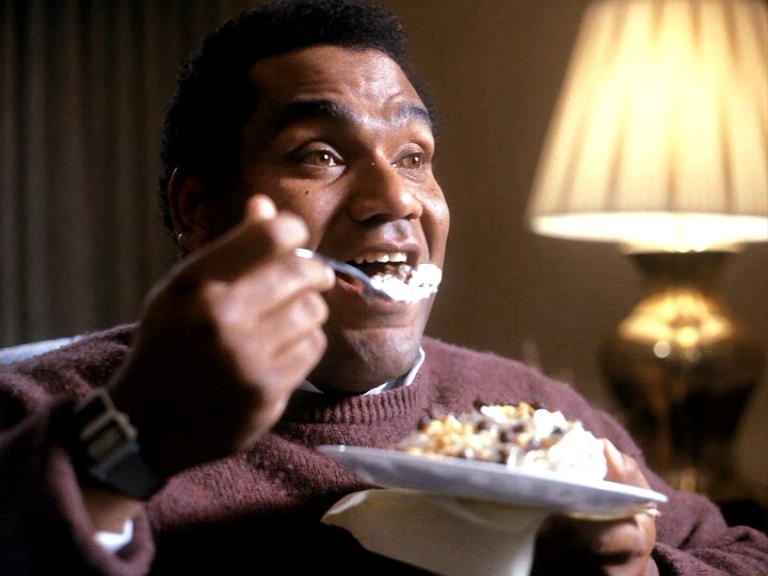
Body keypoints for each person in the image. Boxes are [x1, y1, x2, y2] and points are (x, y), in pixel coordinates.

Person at [0, 1, 765, 574]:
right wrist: (131, 440)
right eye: (321, 155)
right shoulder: (40, 411)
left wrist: (645, 570)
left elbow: (743, 552)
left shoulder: (534, 416)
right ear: (198, 210)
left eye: (413, 156)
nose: (396, 199)